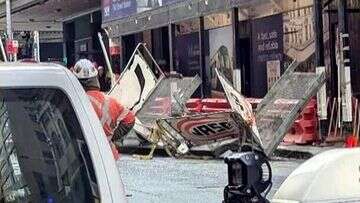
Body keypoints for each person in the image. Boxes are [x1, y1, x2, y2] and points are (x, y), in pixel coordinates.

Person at [73, 59, 135, 160]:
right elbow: (130, 119)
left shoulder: (74, 102)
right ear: (95, 79)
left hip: (85, 159)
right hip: (109, 156)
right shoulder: (110, 101)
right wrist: (112, 136)